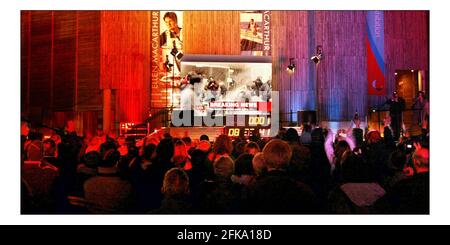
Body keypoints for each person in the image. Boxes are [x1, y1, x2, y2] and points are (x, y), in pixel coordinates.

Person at [160, 12, 183, 76]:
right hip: (172, 62)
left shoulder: (184, 32)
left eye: (170, 21)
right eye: (166, 22)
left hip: (184, 59)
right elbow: (154, 44)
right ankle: (175, 74)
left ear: (176, 21)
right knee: (171, 52)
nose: (168, 24)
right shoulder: (165, 34)